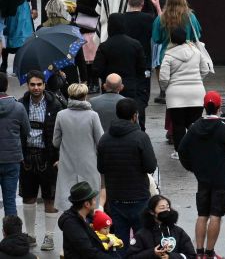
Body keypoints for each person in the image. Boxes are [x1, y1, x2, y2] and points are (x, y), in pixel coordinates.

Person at [176, 91, 225, 259]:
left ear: (204, 107)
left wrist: (191, 167)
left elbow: (182, 149)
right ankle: (210, 252)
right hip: (221, 177)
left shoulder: (194, 127)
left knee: (202, 214)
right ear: (219, 108)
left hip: (202, 177)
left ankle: (199, 253)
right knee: (215, 215)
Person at [95, 98, 157, 250]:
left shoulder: (104, 139)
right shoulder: (141, 137)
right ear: (135, 116)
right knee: (142, 241)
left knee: (119, 242)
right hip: (139, 196)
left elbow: (101, 167)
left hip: (116, 198)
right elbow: (150, 166)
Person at [53, 84, 103, 253]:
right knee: (89, 206)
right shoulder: (92, 115)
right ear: (85, 96)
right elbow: (100, 140)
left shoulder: (61, 115)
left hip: (68, 165)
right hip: (89, 164)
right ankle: (91, 245)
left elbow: (55, 141)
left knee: (68, 207)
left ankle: (66, 246)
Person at [16, 69, 61, 232]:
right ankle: (30, 234)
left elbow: (61, 131)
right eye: (32, 85)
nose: (36, 88)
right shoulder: (20, 104)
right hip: (26, 156)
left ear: (44, 85)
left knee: (50, 197)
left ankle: (49, 236)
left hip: (48, 157)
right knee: (28, 197)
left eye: (39, 84)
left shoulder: (55, 104)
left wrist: (59, 157)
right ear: (27, 86)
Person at [158, 29, 213, 154]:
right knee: (194, 123)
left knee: (178, 125)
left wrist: (166, 87)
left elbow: (163, 78)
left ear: (172, 39)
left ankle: (180, 152)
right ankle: (197, 149)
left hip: (175, 94)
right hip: (196, 93)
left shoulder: (169, 55)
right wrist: (197, 80)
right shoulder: (196, 52)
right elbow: (205, 70)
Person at [128, 193, 196, 259]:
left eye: (168, 207)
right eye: (162, 208)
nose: (166, 210)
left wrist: (171, 257)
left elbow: (191, 255)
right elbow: (130, 257)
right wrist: (152, 253)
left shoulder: (178, 231)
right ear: (152, 212)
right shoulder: (142, 234)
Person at [58, 182, 105, 259]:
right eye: (93, 200)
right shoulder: (72, 225)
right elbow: (89, 252)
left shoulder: (87, 216)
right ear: (86, 204)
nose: (95, 202)